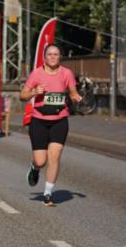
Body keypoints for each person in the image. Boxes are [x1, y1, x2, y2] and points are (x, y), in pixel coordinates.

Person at [19, 44, 82, 206]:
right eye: (50, 54)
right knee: (41, 161)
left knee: (55, 156)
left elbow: (72, 91)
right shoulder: (37, 73)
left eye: (56, 54)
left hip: (59, 121)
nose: (53, 57)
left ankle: (48, 193)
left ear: (59, 57)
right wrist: (34, 92)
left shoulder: (66, 73)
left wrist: (76, 97)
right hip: (39, 121)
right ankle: (35, 168)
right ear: (44, 57)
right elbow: (22, 95)